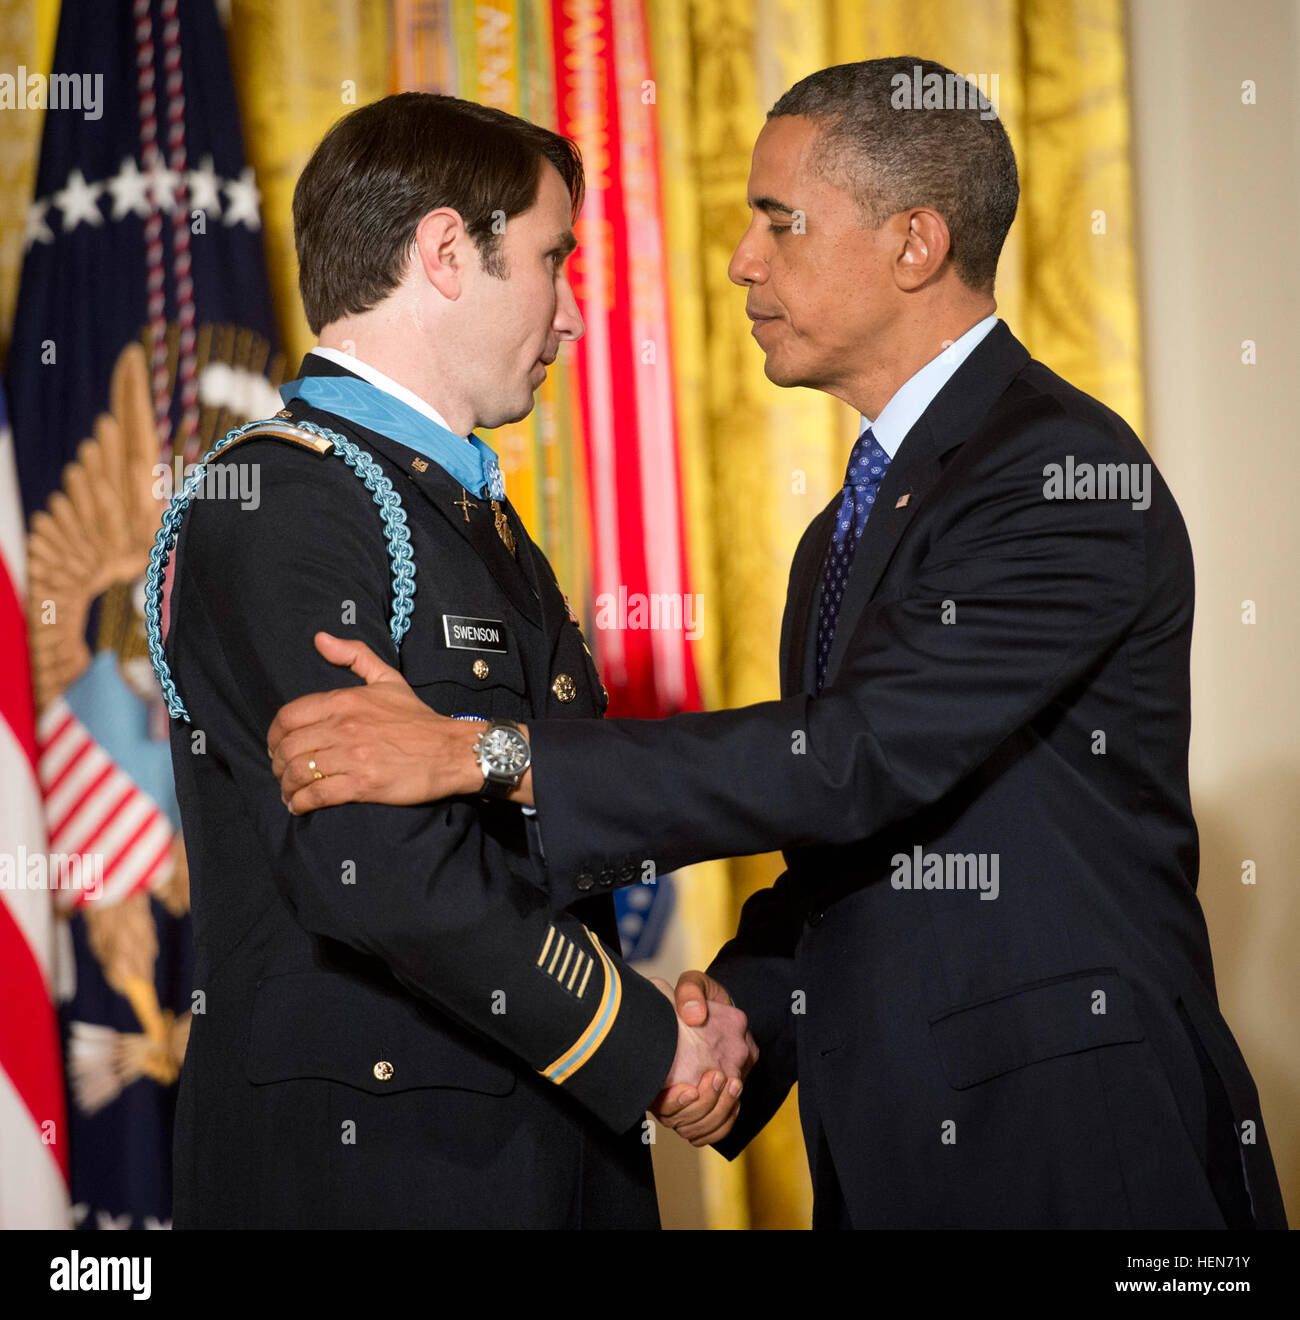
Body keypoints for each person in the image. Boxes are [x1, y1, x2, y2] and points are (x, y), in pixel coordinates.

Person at [265, 60, 1288, 1230]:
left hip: (1074, 1152)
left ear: (914, 244)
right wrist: (741, 1015)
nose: (744, 259)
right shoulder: (846, 527)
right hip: (898, 1153)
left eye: (779, 221)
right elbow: (858, 838)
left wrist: (486, 756)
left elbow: (854, 756)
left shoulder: (1055, 474)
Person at [154, 92, 754, 1230]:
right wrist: (645, 1046)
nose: (571, 316)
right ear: (443, 251)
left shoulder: (448, 503)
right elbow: (380, 868)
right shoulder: (286, 499)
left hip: (534, 1144)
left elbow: (551, 819)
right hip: (386, 1171)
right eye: (549, 260)